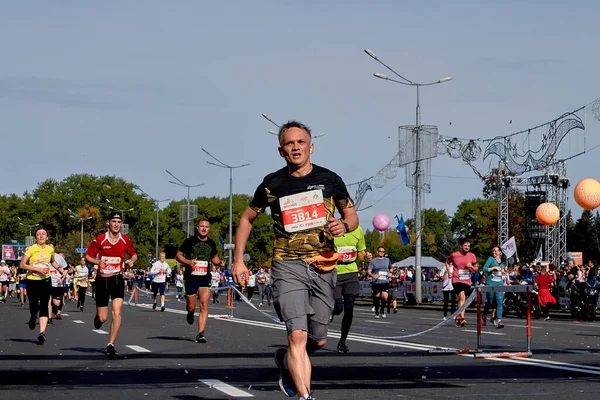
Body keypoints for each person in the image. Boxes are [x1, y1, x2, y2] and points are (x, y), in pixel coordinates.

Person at [231, 120, 358, 399]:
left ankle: (288, 362)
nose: (296, 147)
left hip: (323, 265)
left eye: (301, 142)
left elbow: (351, 215)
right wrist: (238, 260)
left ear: (311, 147)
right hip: (287, 265)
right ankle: (305, 396)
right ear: (281, 150)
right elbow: (246, 218)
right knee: (297, 335)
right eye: (290, 143)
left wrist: (344, 226)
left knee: (319, 339)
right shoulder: (272, 184)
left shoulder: (330, 180)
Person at [85, 212, 137, 356]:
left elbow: (134, 254)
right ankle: (97, 318)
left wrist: (131, 261)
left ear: (121, 224)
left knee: (117, 311)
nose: (116, 224)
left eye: (119, 222)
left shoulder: (125, 240)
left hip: (117, 278)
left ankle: (110, 343)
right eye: (113, 221)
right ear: (108, 223)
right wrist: (97, 262)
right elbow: (88, 256)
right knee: (103, 317)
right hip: (102, 279)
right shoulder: (100, 240)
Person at [176, 218, 225, 344]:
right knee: (191, 306)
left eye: (206, 227)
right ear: (198, 228)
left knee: (204, 304)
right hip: (191, 277)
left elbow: (214, 258)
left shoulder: (212, 243)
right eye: (202, 226)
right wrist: (188, 262)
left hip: (204, 277)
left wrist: (220, 263)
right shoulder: (189, 241)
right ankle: (190, 313)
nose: (204, 228)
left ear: (209, 229)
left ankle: (200, 334)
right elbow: (179, 255)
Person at [20, 227, 63, 344]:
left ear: (47, 237)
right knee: (34, 305)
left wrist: (60, 269)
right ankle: (33, 315)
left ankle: (42, 333)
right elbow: (22, 265)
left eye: (43, 234)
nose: (41, 236)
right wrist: (36, 268)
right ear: (36, 238)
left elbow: (52, 261)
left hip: (45, 280)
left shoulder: (50, 250)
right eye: (38, 234)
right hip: (32, 280)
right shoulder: (31, 249)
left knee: (44, 305)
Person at [331, 225, 366, 354]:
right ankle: (331, 309)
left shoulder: (358, 230)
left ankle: (342, 341)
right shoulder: (334, 229)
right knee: (338, 308)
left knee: (350, 305)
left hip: (351, 273)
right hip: (336, 273)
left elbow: (361, 253)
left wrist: (366, 256)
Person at [447, 237, 478, 328]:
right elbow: (447, 261)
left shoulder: (472, 256)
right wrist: (449, 271)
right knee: (462, 297)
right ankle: (462, 317)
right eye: (465, 245)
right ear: (461, 246)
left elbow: (476, 269)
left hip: (467, 281)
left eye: (468, 246)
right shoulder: (454, 255)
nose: (467, 247)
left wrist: (471, 267)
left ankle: (457, 316)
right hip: (457, 280)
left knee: (463, 300)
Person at [481, 246, 506, 328]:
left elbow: (502, 271)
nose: (493, 252)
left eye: (495, 251)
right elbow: (484, 269)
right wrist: (494, 268)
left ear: (500, 252)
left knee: (499, 302)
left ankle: (499, 320)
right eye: (493, 251)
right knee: (491, 302)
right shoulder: (491, 259)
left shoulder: (503, 261)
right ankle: (484, 315)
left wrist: (503, 271)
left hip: (499, 284)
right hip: (490, 284)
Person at [368, 246, 392, 319]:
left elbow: (391, 268)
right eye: (380, 251)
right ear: (377, 252)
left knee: (385, 297)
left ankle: (382, 310)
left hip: (385, 281)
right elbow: (369, 271)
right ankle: (377, 311)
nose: (382, 253)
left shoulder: (387, 260)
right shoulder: (373, 261)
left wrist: (390, 273)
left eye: (383, 251)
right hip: (376, 282)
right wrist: (373, 275)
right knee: (377, 298)